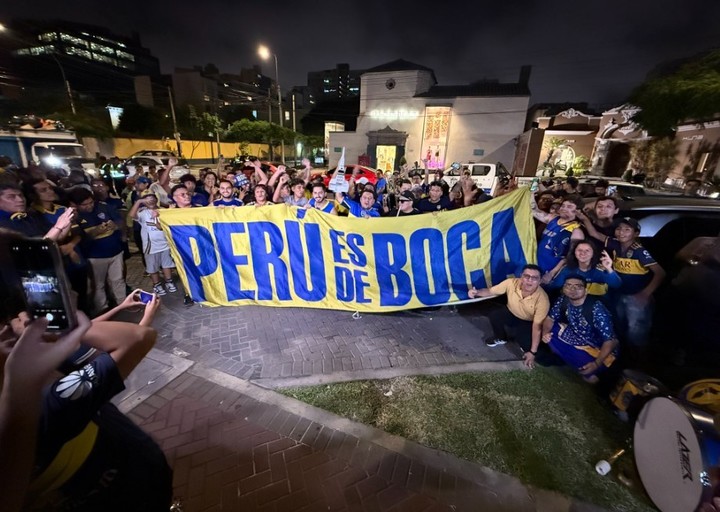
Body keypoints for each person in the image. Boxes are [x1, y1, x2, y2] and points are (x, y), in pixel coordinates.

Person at [586, 217, 666, 359]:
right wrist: (584, 218)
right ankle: (621, 357)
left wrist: (645, 294)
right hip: (618, 293)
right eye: (619, 228)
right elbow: (594, 234)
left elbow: (660, 273)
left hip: (635, 297)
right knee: (620, 325)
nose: (621, 232)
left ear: (636, 233)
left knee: (636, 333)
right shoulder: (615, 245)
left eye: (627, 229)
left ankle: (639, 362)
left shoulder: (639, 251)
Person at [468, 264, 552, 368]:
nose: (529, 280)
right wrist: (476, 292)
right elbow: (490, 291)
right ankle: (501, 337)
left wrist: (532, 352)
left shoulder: (543, 300)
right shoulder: (511, 282)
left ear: (540, 281)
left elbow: (537, 326)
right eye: (526, 276)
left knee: (529, 347)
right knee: (495, 314)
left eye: (534, 278)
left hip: (528, 322)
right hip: (511, 312)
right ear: (521, 276)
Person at [541, 275, 619, 384]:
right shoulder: (564, 299)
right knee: (549, 332)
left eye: (578, 286)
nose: (572, 289)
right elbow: (550, 318)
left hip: (596, 347)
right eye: (568, 286)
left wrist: (597, 363)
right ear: (563, 288)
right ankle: (567, 357)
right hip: (576, 336)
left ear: (586, 291)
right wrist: (545, 333)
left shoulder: (596, 308)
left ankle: (591, 368)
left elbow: (612, 341)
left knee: (587, 369)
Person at [69, 188, 127, 316]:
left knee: (118, 280)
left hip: (115, 251)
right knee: (98, 284)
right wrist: (94, 232)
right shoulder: (74, 216)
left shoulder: (103, 207)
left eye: (91, 202)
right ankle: (103, 309)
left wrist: (115, 225)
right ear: (76, 205)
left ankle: (124, 304)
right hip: (94, 256)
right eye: (85, 204)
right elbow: (78, 238)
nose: (89, 206)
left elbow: (120, 220)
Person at [129, 194, 177, 296]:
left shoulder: (163, 210)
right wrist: (138, 202)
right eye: (147, 200)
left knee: (166, 264)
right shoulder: (143, 212)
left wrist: (170, 210)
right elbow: (132, 215)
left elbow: (162, 226)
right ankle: (157, 284)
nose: (150, 201)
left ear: (156, 200)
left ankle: (169, 281)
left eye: (152, 199)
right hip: (151, 246)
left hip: (164, 244)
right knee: (152, 267)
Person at [543, 239, 621, 301]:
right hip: (573, 304)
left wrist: (609, 268)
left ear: (593, 253)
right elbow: (554, 286)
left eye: (587, 250)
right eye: (579, 250)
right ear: (574, 253)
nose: (583, 253)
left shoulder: (601, 270)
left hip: (599, 305)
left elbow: (617, 285)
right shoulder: (568, 269)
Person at [531, 194, 585, 275]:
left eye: (569, 207)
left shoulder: (577, 231)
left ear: (578, 211)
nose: (563, 209)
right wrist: (531, 192)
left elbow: (571, 258)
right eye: (563, 206)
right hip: (537, 264)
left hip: (553, 271)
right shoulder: (552, 218)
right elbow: (533, 210)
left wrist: (552, 273)